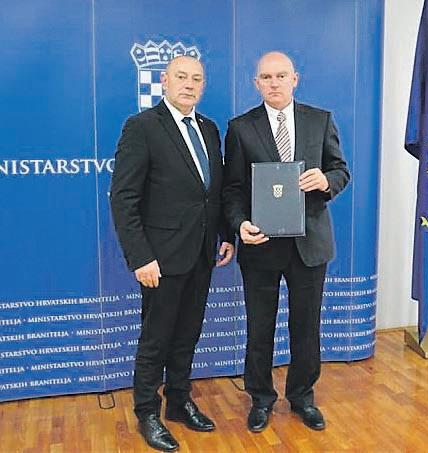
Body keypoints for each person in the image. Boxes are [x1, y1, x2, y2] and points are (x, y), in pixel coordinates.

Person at [110, 55, 234, 452]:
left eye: (196, 78)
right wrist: (140, 257)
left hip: (202, 253)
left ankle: (179, 401)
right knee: (156, 339)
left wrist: (225, 234)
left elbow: (211, 193)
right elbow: (124, 198)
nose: (189, 84)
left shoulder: (209, 129)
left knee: (187, 335)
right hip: (160, 259)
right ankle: (147, 412)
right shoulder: (143, 127)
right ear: (164, 81)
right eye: (181, 77)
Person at [223, 51, 350, 433]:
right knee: (259, 328)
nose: (274, 82)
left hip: (309, 245)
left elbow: (340, 170)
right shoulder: (240, 128)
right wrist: (239, 224)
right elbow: (232, 189)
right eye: (266, 77)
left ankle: (302, 397)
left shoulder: (319, 119)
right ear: (256, 83)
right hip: (260, 245)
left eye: (281, 75)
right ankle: (260, 399)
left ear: (295, 79)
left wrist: (326, 181)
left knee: (306, 327)